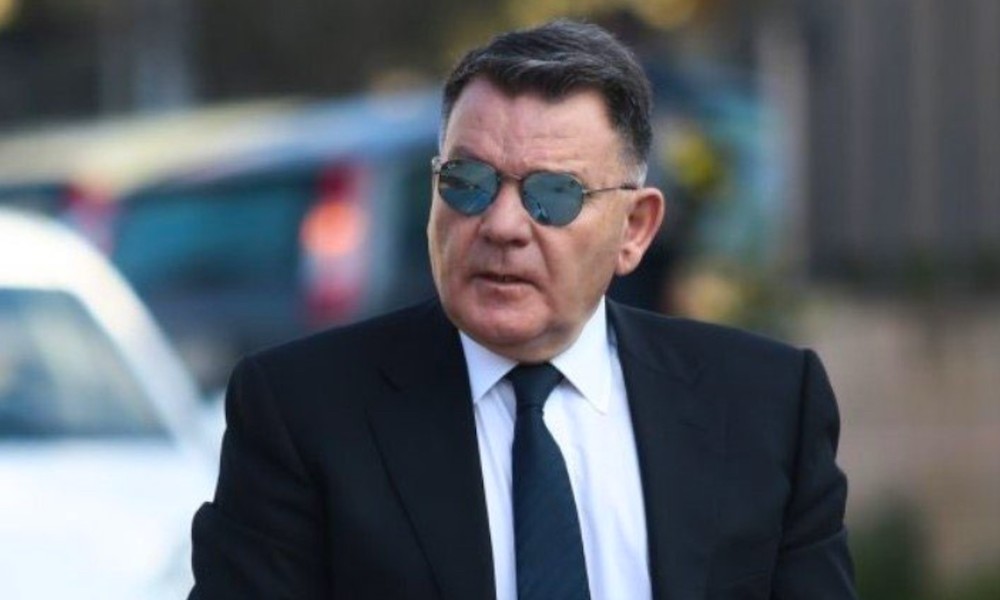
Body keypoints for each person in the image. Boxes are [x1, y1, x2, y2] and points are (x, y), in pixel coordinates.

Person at [189, 19, 857, 600]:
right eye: (468, 183)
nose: (502, 225)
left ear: (634, 229)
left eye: (553, 195)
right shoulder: (304, 413)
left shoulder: (765, 406)